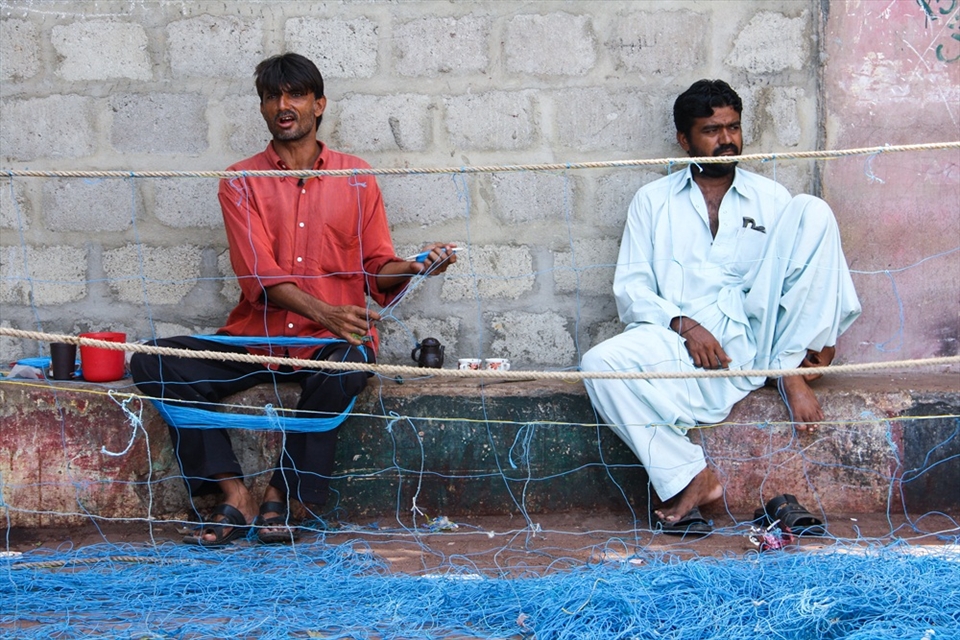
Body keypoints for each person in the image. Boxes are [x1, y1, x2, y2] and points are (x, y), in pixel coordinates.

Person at [131, 53, 457, 546]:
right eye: (272, 97)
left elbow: (375, 269)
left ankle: (281, 493)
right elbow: (258, 275)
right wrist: (325, 311)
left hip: (326, 344)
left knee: (349, 365)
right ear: (263, 108)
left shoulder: (356, 177)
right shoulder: (241, 181)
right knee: (153, 361)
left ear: (318, 105)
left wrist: (413, 267)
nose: (284, 106)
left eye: (296, 95)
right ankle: (233, 492)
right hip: (255, 341)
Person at [580, 79, 861, 535]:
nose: (726, 139)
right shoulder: (652, 201)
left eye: (733, 127)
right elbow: (632, 290)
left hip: (760, 340)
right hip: (679, 342)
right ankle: (692, 475)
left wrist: (819, 340)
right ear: (684, 139)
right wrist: (684, 324)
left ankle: (787, 371)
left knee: (814, 211)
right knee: (598, 364)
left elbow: (801, 278)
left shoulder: (773, 199)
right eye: (711, 130)